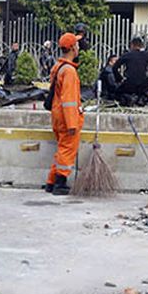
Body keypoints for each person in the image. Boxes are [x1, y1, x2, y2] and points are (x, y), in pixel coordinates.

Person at [46, 33, 83, 195]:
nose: (79, 47)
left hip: (57, 115)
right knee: (67, 150)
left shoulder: (59, 67)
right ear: (73, 48)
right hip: (66, 118)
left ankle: (51, 181)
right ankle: (60, 183)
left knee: (61, 150)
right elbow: (69, 100)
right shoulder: (69, 71)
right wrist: (72, 124)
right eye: (78, 44)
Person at [113, 37, 148, 106]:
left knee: (117, 93)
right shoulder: (147, 55)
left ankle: (129, 99)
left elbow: (115, 67)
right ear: (142, 46)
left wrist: (120, 78)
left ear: (132, 45)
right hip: (143, 83)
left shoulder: (127, 55)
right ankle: (141, 99)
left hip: (129, 83)